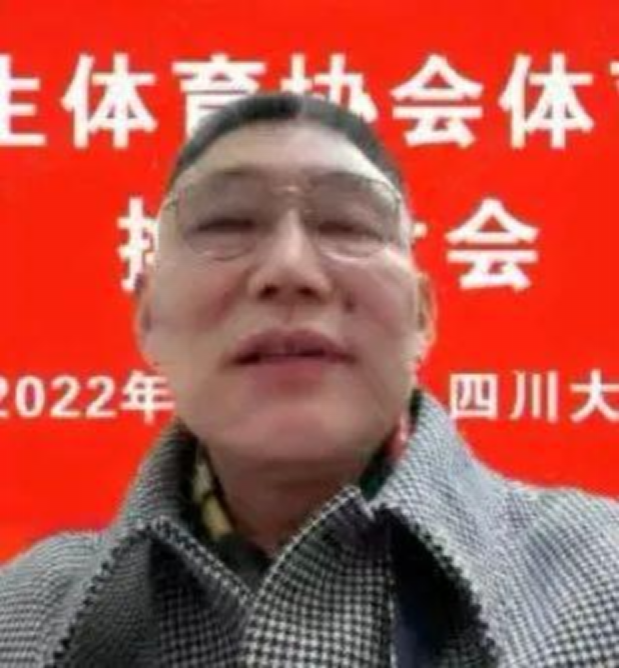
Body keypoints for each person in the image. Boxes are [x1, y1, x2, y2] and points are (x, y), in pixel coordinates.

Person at [0, 92, 617, 667]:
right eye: (227, 224)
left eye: (347, 225)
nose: (290, 269)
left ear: (422, 316)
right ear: (149, 316)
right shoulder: (22, 618)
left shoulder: (599, 584)